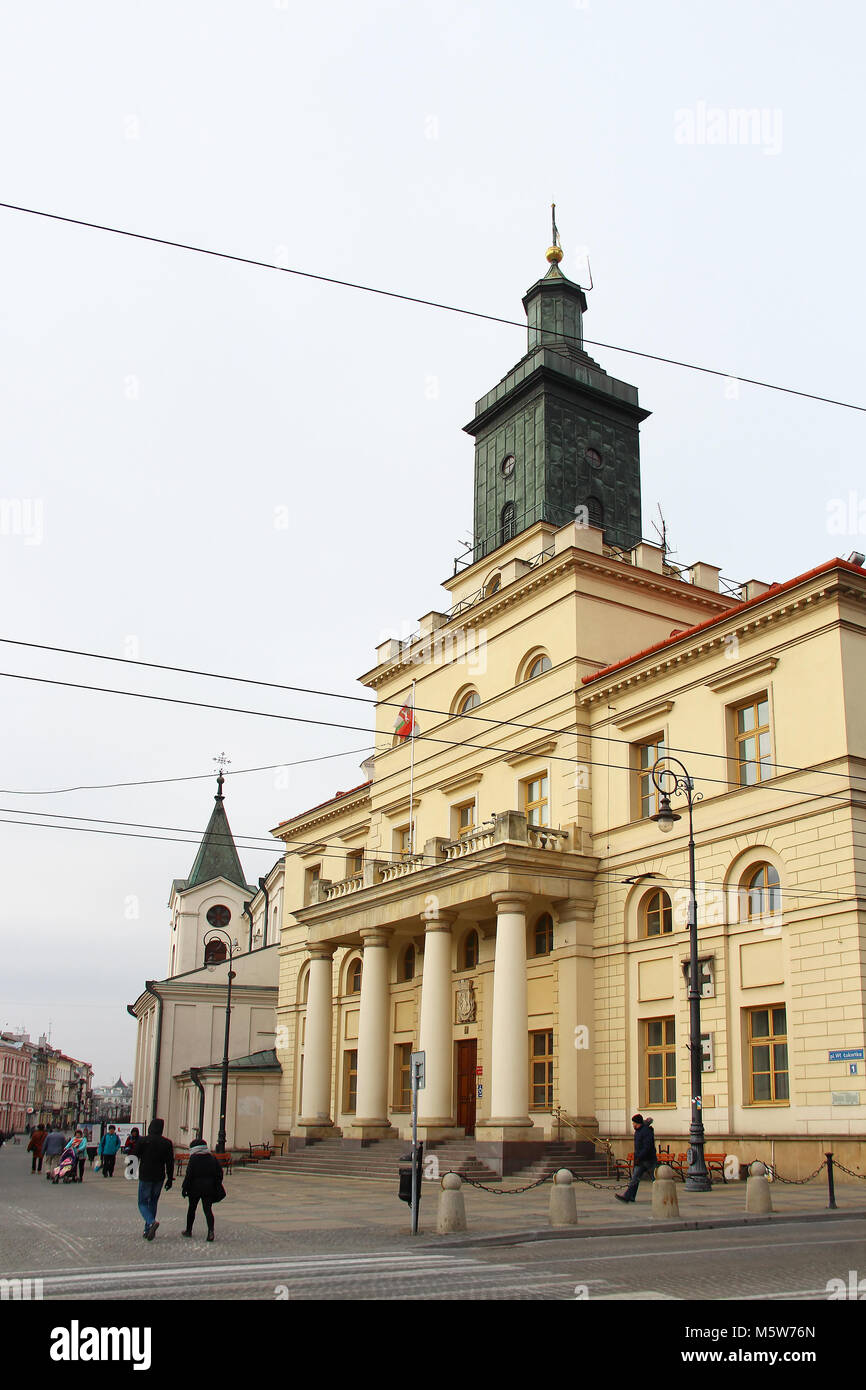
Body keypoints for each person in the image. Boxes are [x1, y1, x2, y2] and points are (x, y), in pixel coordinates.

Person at [135, 1119, 174, 1240]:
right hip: (159, 1176)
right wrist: (170, 1178)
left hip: (146, 1175)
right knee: (153, 1201)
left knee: (142, 1202)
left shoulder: (143, 1140)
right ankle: (148, 1229)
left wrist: (131, 1171)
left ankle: (151, 1222)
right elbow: (170, 1162)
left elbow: (134, 1155)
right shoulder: (167, 1143)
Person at [181, 1137, 224, 1242]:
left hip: (194, 1188)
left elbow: (189, 1175)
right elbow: (220, 1173)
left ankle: (188, 1230)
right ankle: (210, 1231)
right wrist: (216, 1183)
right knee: (208, 1210)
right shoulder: (212, 1158)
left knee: (192, 1209)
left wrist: (184, 1187)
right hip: (208, 1188)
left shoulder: (194, 1158)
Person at [615, 1114, 657, 1203]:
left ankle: (663, 1193)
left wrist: (639, 1157)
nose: (633, 1124)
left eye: (633, 1123)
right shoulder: (638, 1131)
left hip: (648, 1159)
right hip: (641, 1159)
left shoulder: (645, 1131)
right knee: (635, 1178)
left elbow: (647, 1146)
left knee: (655, 1178)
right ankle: (630, 1196)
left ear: (637, 1123)